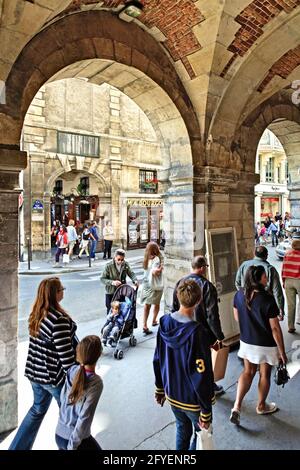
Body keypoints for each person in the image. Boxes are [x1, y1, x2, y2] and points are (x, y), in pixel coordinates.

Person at [9, 277, 78, 450]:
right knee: (70, 418)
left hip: (35, 373)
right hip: (53, 378)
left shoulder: (37, 314)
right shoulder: (58, 320)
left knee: (37, 410)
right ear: (55, 294)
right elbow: (67, 359)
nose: (63, 291)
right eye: (61, 288)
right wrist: (77, 380)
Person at [153, 279, 215, 451]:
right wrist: (206, 409)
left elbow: (157, 358)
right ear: (199, 300)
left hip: (172, 393)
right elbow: (201, 374)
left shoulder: (164, 322)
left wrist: (159, 388)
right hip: (193, 400)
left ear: (178, 297)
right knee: (201, 434)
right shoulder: (198, 332)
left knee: (182, 428)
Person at [230, 266, 287, 426]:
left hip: (247, 341)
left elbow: (237, 317)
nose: (266, 279)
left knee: (248, 372)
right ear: (258, 278)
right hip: (265, 345)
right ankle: (261, 406)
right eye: (264, 277)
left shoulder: (239, 295)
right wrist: (282, 352)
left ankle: (236, 406)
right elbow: (275, 329)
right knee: (264, 375)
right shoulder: (268, 299)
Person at [172, 256, 225, 396]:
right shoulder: (207, 286)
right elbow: (212, 315)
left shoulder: (180, 283)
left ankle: (189, 384)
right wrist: (218, 336)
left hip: (183, 330)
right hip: (202, 332)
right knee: (205, 361)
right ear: (202, 268)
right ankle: (208, 387)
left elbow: (174, 307)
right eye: (206, 267)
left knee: (187, 359)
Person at [55, 335, 103, 450]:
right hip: (75, 441)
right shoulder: (96, 383)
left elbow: (63, 400)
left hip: (59, 434)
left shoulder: (72, 370)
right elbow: (84, 418)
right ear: (99, 354)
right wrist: (72, 447)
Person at [235, 246, 284, 320]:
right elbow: (277, 291)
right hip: (265, 306)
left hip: (246, 304)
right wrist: (280, 310)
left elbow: (237, 283)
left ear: (254, 254)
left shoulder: (244, 265)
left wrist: (245, 295)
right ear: (266, 255)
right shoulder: (270, 269)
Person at [101, 248, 139, 314]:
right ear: (115, 257)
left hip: (121, 291)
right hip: (110, 292)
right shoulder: (108, 266)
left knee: (121, 310)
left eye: (122, 259)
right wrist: (112, 282)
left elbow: (131, 273)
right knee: (111, 311)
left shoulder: (125, 264)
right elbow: (102, 279)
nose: (120, 261)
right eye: (119, 259)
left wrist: (135, 280)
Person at [140, 241, 164, 336]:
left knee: (148, 305)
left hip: (147, 284)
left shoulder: (146, 257)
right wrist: (159, 269)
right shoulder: (158, 257)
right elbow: (155, 272)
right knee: (155, 303)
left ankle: (146, 324)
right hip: (154, 285)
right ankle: (152, 321)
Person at [282, 237, 300, 333]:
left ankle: (291, 326)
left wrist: (283, 281)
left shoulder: (287, 254)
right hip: (299, 280)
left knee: (290, 304)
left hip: (288, 280)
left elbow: (283, 268)